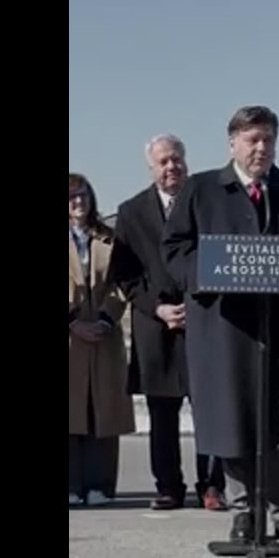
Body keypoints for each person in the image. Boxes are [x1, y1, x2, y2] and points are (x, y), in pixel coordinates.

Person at [162, 105, 279, 542]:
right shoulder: (200, 190)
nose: (261, 148)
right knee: (232, 418)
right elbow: (175, 249)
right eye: (252, 140)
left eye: (268, 140)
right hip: (224, 327)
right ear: (232, 143)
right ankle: (243, 512)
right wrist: (212, 271)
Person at [112, 134, 228, 511]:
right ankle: (168, 487)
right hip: (155, 325)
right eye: (163, 161)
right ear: (151, 167)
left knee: (210, 409)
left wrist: (198, 305)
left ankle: (211, 487)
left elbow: (221, 259)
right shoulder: (130, 212)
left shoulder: (207, 204)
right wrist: (157, 309)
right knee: (162, 415)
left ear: (186, 161)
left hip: (204, 320)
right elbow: (126, 276)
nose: (171, 167)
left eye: (176, 159)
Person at [69, 173, 136, 506]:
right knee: (70, 411)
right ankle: (71, 486)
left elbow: (122, 284)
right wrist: (73, 324)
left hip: (103, 336)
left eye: (83, 195)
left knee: (102, 412)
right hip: (71, 339)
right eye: (71, 197)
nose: (78, 202)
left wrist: (107, 318)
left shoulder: (109, 238)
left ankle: (101, 486)